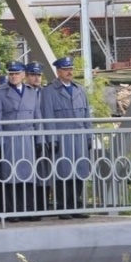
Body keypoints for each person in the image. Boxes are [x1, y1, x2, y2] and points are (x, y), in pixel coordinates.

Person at [40, 56, 91, 219]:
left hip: (79, 135)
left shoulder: (79, 89)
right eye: (66, 69)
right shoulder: (49, 91)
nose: (70, 72)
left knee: (80, 171)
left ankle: (76, 204)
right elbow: (48, 116)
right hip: (62, 136)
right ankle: (63, 206)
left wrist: (89, 137)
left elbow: (86, 116)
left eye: (71, 69)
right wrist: (51, 139)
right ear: (58, 71)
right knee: (63, 171)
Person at [0, 61, 42, 221]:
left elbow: (37, 117)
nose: (13, 76)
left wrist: (40, 139)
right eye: (11, 74)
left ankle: (29, 209)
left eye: (16, 74)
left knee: (28, 174)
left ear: (23, 75)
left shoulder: (31, 92)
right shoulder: (0, 93)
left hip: (27, 137)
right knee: (10, 175)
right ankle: (12, 210)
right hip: (9, 138)